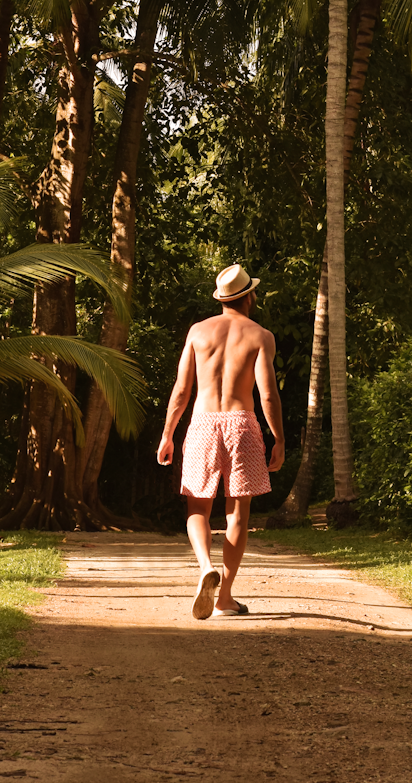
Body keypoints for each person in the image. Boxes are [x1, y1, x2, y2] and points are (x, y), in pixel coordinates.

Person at [157, 263, 285, 619]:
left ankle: (204, 568)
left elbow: (182, 390)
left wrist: (168, 434)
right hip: (242, 423)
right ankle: (225, 595)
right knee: (237, 513)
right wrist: (278, 438)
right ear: (250, 297)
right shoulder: (261, 336)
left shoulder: (198, 332)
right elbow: (268, 396)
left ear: (222, 298)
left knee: (198, 508)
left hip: (202, 422)